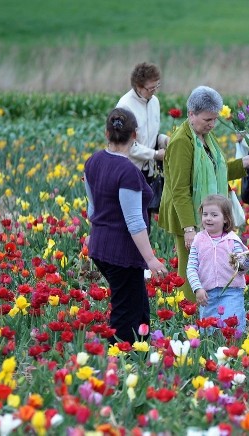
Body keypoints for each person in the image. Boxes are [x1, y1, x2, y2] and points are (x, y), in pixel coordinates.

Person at [158, 86, 249, 302]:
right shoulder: (182, 142)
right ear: (191, 114)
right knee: (192, 270)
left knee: (209, 266)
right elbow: (179, 189)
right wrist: (189, 228)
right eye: (208, 119)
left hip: (207, 213)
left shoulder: (205, 137)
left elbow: (217, 169)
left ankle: (209, 311)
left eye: (215, 119)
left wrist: (244, 163)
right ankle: (190, 313)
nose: (213, 124)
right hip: (188, 216)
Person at [84, 108, 168, 344]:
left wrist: (93, 235)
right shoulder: (128, 172)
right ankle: (118, 361)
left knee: (138, 304)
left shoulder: (93, 162)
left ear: (106, 133)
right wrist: (150, 259)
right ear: (135, 136)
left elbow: (92, 209)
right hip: (121, 252)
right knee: (126, 311)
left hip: (100, 247)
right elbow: (133, 221)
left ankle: (140, 352)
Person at [186, 195, 249, 333]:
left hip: (231, 292)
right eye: (205, 214)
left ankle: (233, 352)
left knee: (231, 328)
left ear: (226, 218)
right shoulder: (198, 240)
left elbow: (240, 269)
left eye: (214, 215)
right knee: (208, 332)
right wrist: (197, 288)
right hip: (207, 294)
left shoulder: (232, 240)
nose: (208, 218)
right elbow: (191, 267)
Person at [115, 62, 169, 230]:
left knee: (146, 220)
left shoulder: (155, 102)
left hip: (149, 171)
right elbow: (127, 145)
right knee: (133, 220)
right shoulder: (125, 106)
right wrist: (155, 154)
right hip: (130, 170)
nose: (154, 92)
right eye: (150, 88)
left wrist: (164, 140)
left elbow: (151, 135)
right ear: (138, 87)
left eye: (156, 87)